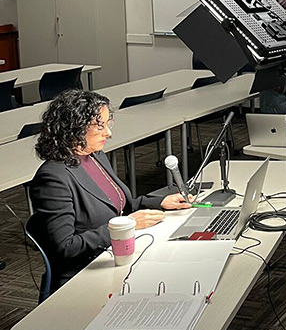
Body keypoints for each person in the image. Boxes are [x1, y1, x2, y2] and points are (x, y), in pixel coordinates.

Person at [28, 90, 192, 292]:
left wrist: (161, 202)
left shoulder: (95, 156)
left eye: (108, 124)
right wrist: (128, 225)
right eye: (100, 127)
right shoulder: (53, 179)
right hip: (85, 274)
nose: (109, 133)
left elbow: (121, 205)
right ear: (74, 129)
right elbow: (66, 248)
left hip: (114, 256)